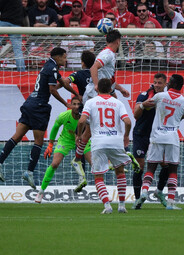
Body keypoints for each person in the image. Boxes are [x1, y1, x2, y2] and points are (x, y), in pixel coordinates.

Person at [0, 47, 79, 187]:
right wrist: (67, 103)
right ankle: (29, 171)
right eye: (64, 57)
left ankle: (0, 161)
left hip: (30, 103)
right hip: (39, 106)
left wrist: (76, 94)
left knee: (16, 136)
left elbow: (64, 83)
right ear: (58, 56)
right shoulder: (52, 69)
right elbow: (52, 90)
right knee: (39, 141)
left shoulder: (49, 66)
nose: (66, 60)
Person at [71, 29, 130, 173]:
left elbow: (107, 76)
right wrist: (97, 86)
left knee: (93, 129)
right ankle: (119, 155)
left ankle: (78, 158)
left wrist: (120, 89)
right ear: (118, 41)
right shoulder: (107, 53)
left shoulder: (109, 54)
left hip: (99, 91)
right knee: (96, 127)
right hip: (94, 93)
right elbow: (94, 68)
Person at [135, 74, 184, 210]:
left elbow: (147, 106)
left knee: (151, 168)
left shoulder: (160, 96)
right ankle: (171, 203)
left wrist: (143, 104)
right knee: (172, 170)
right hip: (172, 138)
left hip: (156, 136)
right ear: (181, 86)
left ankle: (144, 192)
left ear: (169, 84)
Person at [78, 78, 132, 214]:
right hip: (116, 141)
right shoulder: (118, 103)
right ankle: (121, 205)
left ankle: (107, 206)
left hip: (99, 142)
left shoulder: (90, 102)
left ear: (97, 89)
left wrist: (79, 135)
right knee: (120, 172)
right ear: (110, 89)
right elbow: (128, 121)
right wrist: (126, 136)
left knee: (98, 176)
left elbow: (82, 121)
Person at [34, 97, 91, 203]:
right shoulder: (64, 116)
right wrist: (50, 145)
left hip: (82, 140)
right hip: (65, 140)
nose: (76, 106)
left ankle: (104, 195)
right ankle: (41, 192)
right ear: (70, 105)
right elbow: (55, 127)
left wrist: (81, 137)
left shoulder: (85, 118)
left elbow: (90, 130)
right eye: (74, 104)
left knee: (94, 164)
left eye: (78, 104)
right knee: (55, 164)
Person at [131, 73, 169, 209]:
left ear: (166, 84)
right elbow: (135, 114)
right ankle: (137, 199)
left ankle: (159, 191)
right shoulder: (144, 95)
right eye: (155, 82)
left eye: (160, 83)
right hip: (141, 134)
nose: (157, 85)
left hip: (158, 136)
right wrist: (143, 106)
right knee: (139, 167)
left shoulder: (168, 98)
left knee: (166, 164)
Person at [0, 0, 26, 71]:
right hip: (16, 24)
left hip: (4, 22)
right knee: (18, 50)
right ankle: (22, 71)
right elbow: (24, 12)